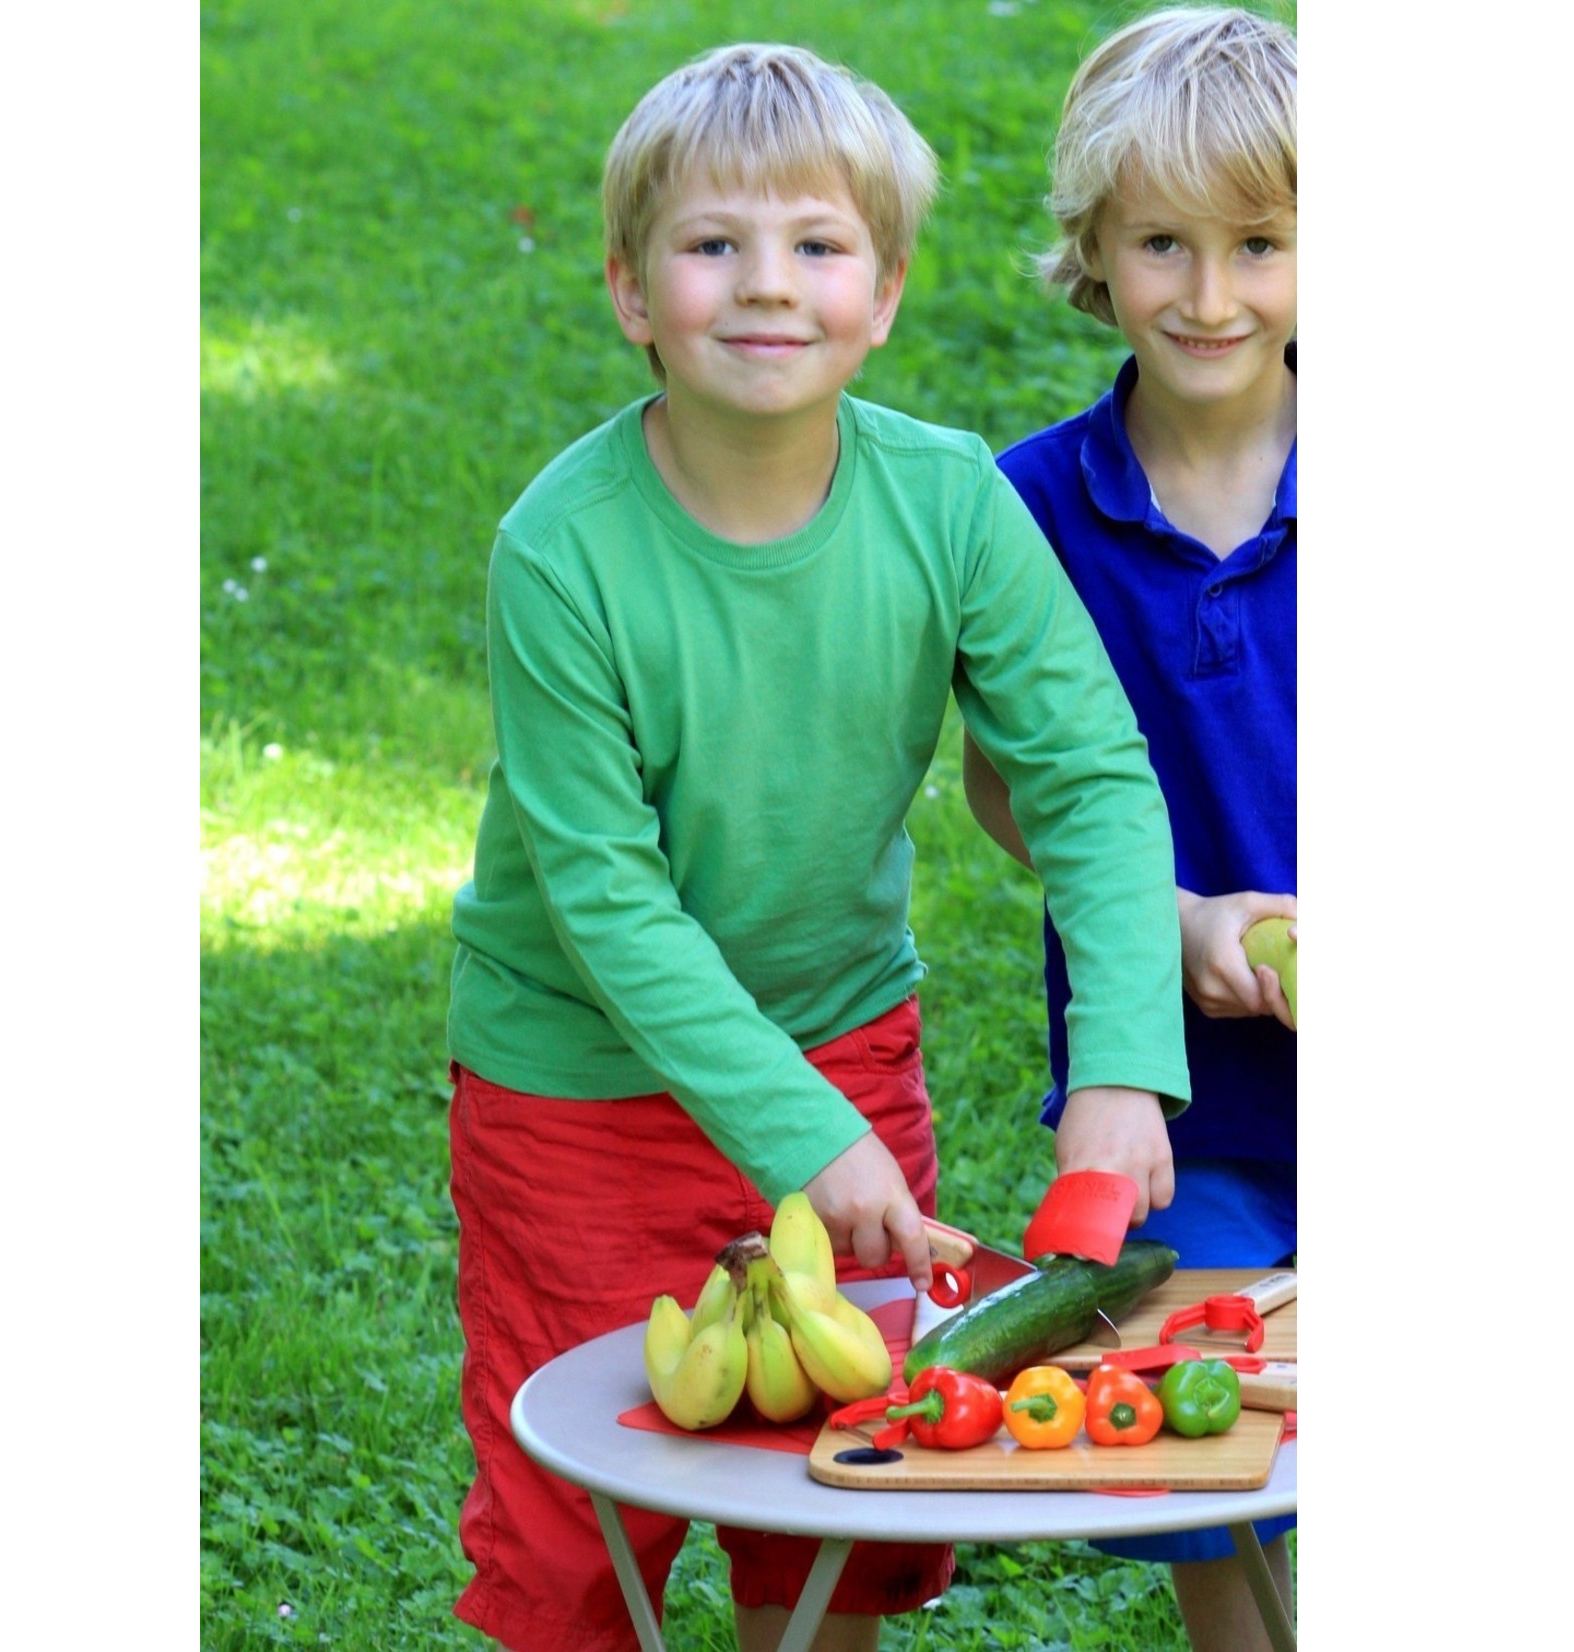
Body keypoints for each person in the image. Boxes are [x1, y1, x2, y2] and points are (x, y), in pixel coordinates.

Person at [446, 41, 1190, 1652]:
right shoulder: (560, 553)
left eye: (817, 246)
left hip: (844, 1041)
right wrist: (800, 1133)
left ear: (889, 289)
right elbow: (604, 898)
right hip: (572, 1086)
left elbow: (1090, 777)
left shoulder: (950, 507)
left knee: (854, 1486)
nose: (766, 287)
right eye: (713, 246)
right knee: (576, 1506)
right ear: (633, 292)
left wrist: (1126, 1060)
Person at [961, 9, 1297, 1649]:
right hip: (1179, 1089)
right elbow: (1004, 784)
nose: (1212, 294)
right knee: (1205, 1461)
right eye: (1164, 243)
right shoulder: (1029, 507)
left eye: (1261, 244)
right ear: (1094, 250)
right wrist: (1167, 923)